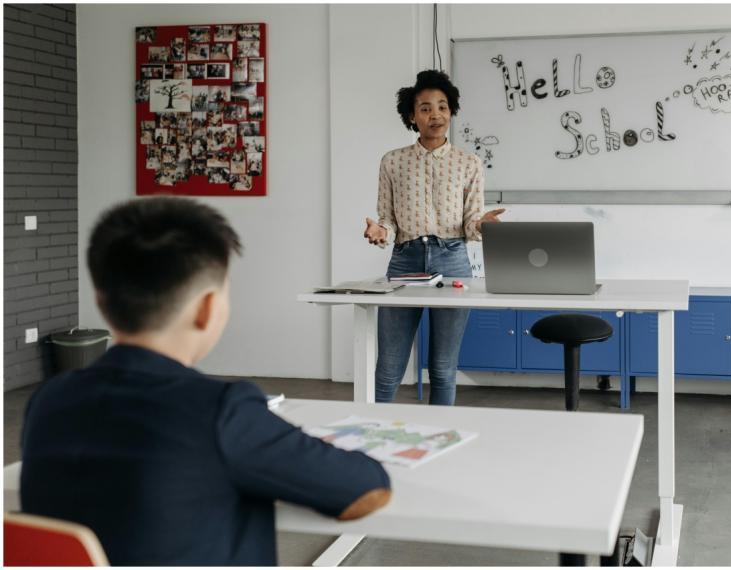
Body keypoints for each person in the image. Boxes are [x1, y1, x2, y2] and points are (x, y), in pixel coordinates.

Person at [20, 197, 391, 566]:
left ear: (102, 302)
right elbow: (365, 488)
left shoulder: (49, 399)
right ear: (207, 308)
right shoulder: (222, 411)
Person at [363, 69, 505, 405]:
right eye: (425, 108)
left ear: (451, 111)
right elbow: (388, 220)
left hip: (452, 259)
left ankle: (440, 440)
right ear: (412, 116)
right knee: (388, 368)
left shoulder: (468, 163)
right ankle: (372, 434)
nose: (435, 114)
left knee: (442, 368)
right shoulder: (392, 162)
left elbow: (470, 221)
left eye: (442, 106)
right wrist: (380, 231)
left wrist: (482, 224)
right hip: (405, 261)